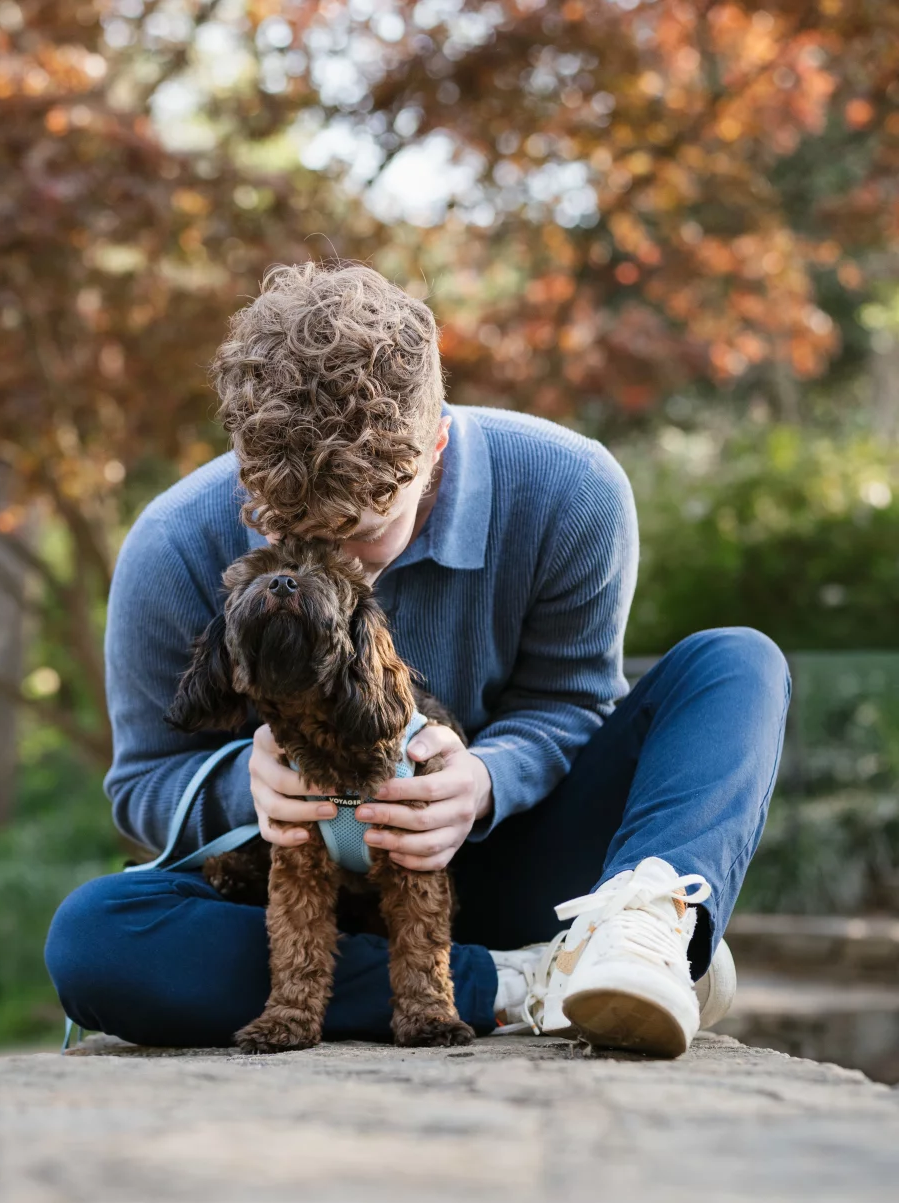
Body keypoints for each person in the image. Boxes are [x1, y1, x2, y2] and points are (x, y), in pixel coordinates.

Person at [45, 261, 791, 1057]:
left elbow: (571, 704)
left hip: (514, 861)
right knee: (94, 942)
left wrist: (486, 781)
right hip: (300, 891)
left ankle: (639, 938)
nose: (333, 565)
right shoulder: (173, 543)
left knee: (736, 664)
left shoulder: (573, 489)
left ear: (433, 445)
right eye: (286, 530)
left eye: (362, 532)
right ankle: (515, 985)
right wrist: (246, 787)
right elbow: (142, 784)